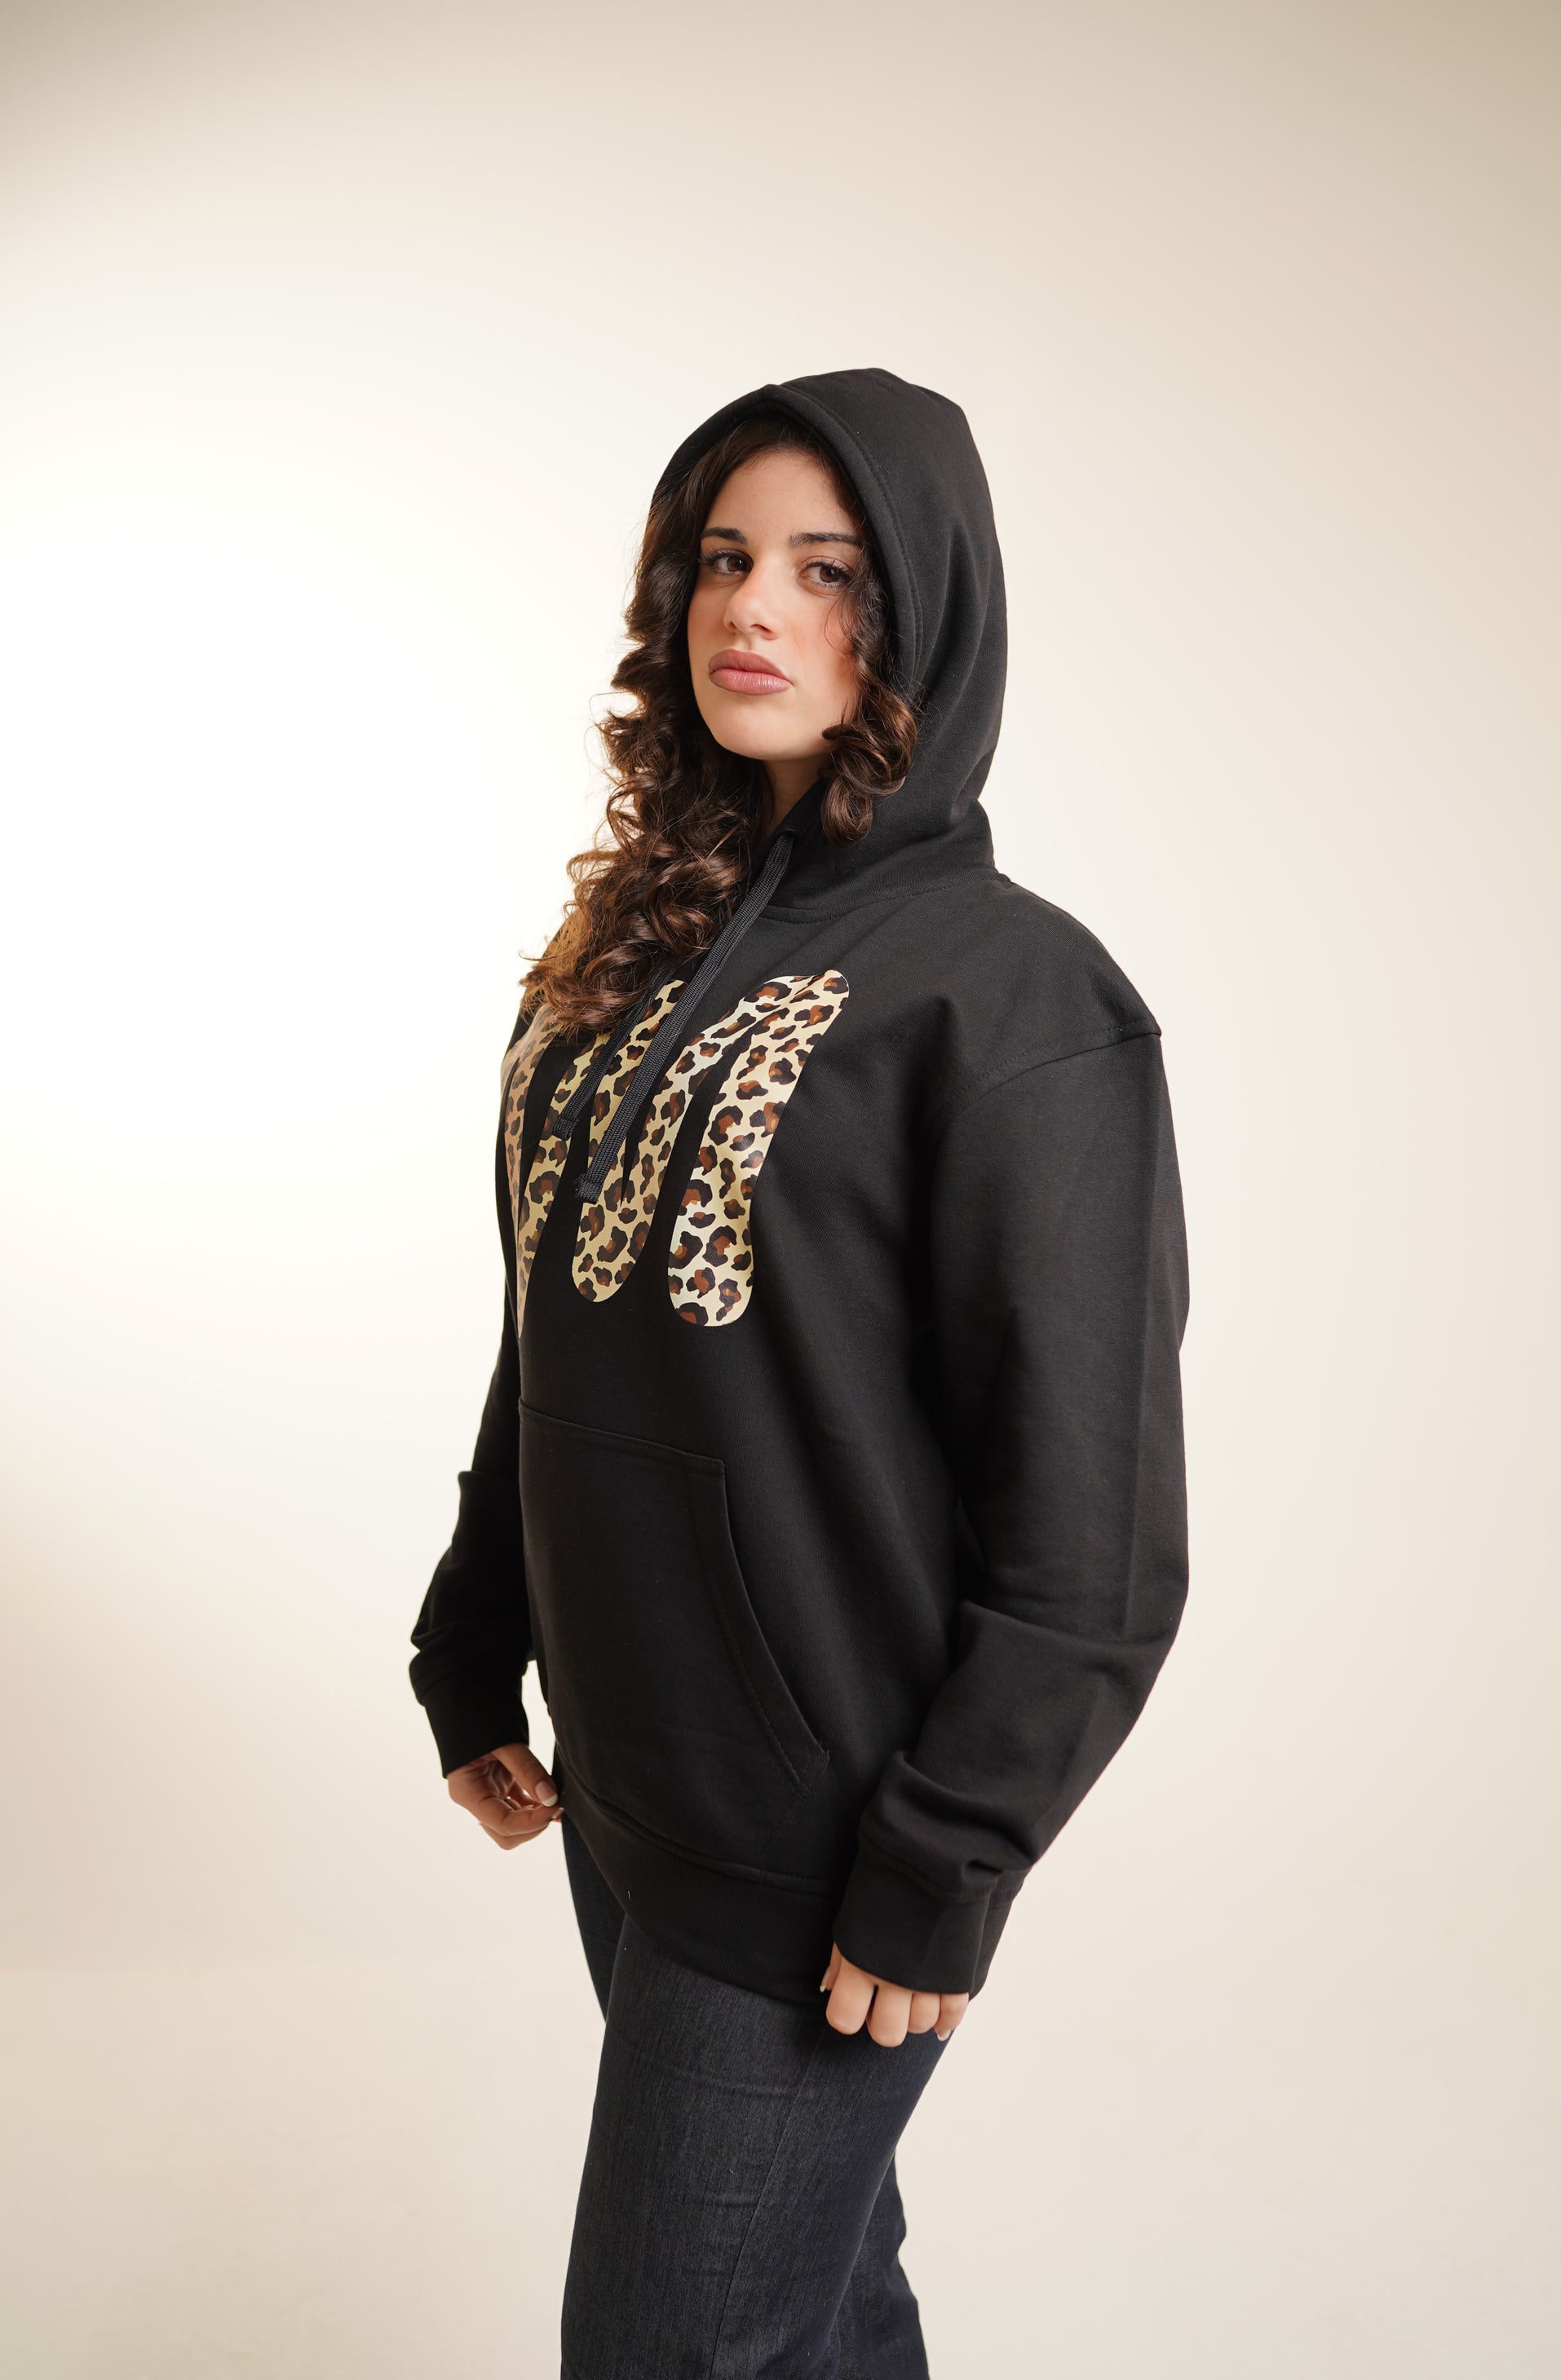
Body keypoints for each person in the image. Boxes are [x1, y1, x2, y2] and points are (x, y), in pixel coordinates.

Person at [409, 367, 1190, 2378]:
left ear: (922, 611)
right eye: (723, 558)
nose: (754, 605)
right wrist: (474, 1632)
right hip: (626, 1787)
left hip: (821, 1837)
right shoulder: (621, 958)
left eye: (828, 570)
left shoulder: (1015, 995)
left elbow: (1093, 1526)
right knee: (818, 2318)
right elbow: (556, 1329)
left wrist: (946, 1857)